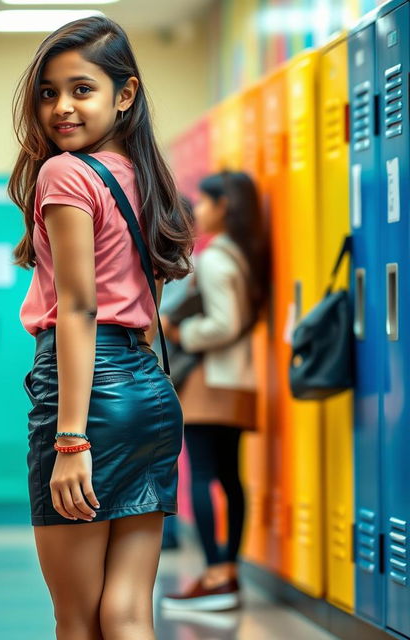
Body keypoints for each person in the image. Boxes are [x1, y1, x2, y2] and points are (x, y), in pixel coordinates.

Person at [10, 16, 194, 639]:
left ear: (125, 93)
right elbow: (151, 298)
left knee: (78, 620)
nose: (61, 107)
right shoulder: (150, 178)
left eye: (81, 89)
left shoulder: (64, 174)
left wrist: (70, 441)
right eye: (48, 92)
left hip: (86, 399)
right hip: (149, 394)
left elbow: (78, 310)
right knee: (127, 610)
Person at [161, 171, 270, 612]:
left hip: (211, 383)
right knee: (230, 477)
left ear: (224, 205)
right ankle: (228, 572)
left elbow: (222, 324)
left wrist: (181, 331)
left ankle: (212, 576)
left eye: (204, 204)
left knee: (203, 475)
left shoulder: (216, 260)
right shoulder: (243, 256)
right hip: (238, 379)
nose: (198, 213)